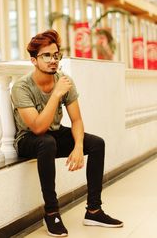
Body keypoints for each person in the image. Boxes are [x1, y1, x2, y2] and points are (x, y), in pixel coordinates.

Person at [11, 29, 123, 237]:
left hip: (52, 134)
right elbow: (37, 127)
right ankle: (52, 212)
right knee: (47, 142)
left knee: (96, 143)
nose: (53, 60)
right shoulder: (22, 87)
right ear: (34, 60)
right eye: (46, 56)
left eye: (56, 55)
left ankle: (94, 210)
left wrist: (79, 147)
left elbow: (77, 120)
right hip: (28, 139)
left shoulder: (64, 80)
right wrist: (56, 94)